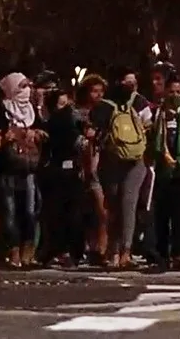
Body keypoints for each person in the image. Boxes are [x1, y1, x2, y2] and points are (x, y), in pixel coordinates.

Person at [90, 66, 150, 269]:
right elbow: (149, 125)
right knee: (125, 204)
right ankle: (121, 252)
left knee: (118, 204)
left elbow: (92, 132)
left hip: (114, 158)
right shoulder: (140, 102)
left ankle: (118, 251)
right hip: (134, 157)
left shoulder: (102, 106)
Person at [0, 72, 46, 268]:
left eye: (27, 86)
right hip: (8, 169)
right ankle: (13, 251)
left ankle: (28, 251)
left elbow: (44, 133)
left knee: (30, 211)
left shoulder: (32, 111)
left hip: (29, 169)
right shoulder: (1, 111)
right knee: (10, 212)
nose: (26, 91)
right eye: (22, 86)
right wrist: (7, 137)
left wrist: (36, 133)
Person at [150, 76, 180, 270]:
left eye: (179, 92)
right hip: (163, 170)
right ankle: (161, 254)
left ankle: (179, 253)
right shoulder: (157, 113)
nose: (175, 95)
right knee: (162, 214)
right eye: (172, 92)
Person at [39, 88, 85, 267]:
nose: (66, 109)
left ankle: (72, 252)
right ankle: (57, 251)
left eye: (68, 104)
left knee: (74, 213)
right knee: (57, 214)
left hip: (72, 171)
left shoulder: (73, 121)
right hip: (57, 172)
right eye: (61, 104)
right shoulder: (53, 123)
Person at [74, 74, 108, 264]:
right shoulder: (79, 114)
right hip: (82, 166)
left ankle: (101, 250)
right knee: (87, 211)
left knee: (102, 210)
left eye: (101, 91)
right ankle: (90, 247)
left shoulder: (107, 113)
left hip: (101, 167)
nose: (98, 95)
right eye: (95, 91)